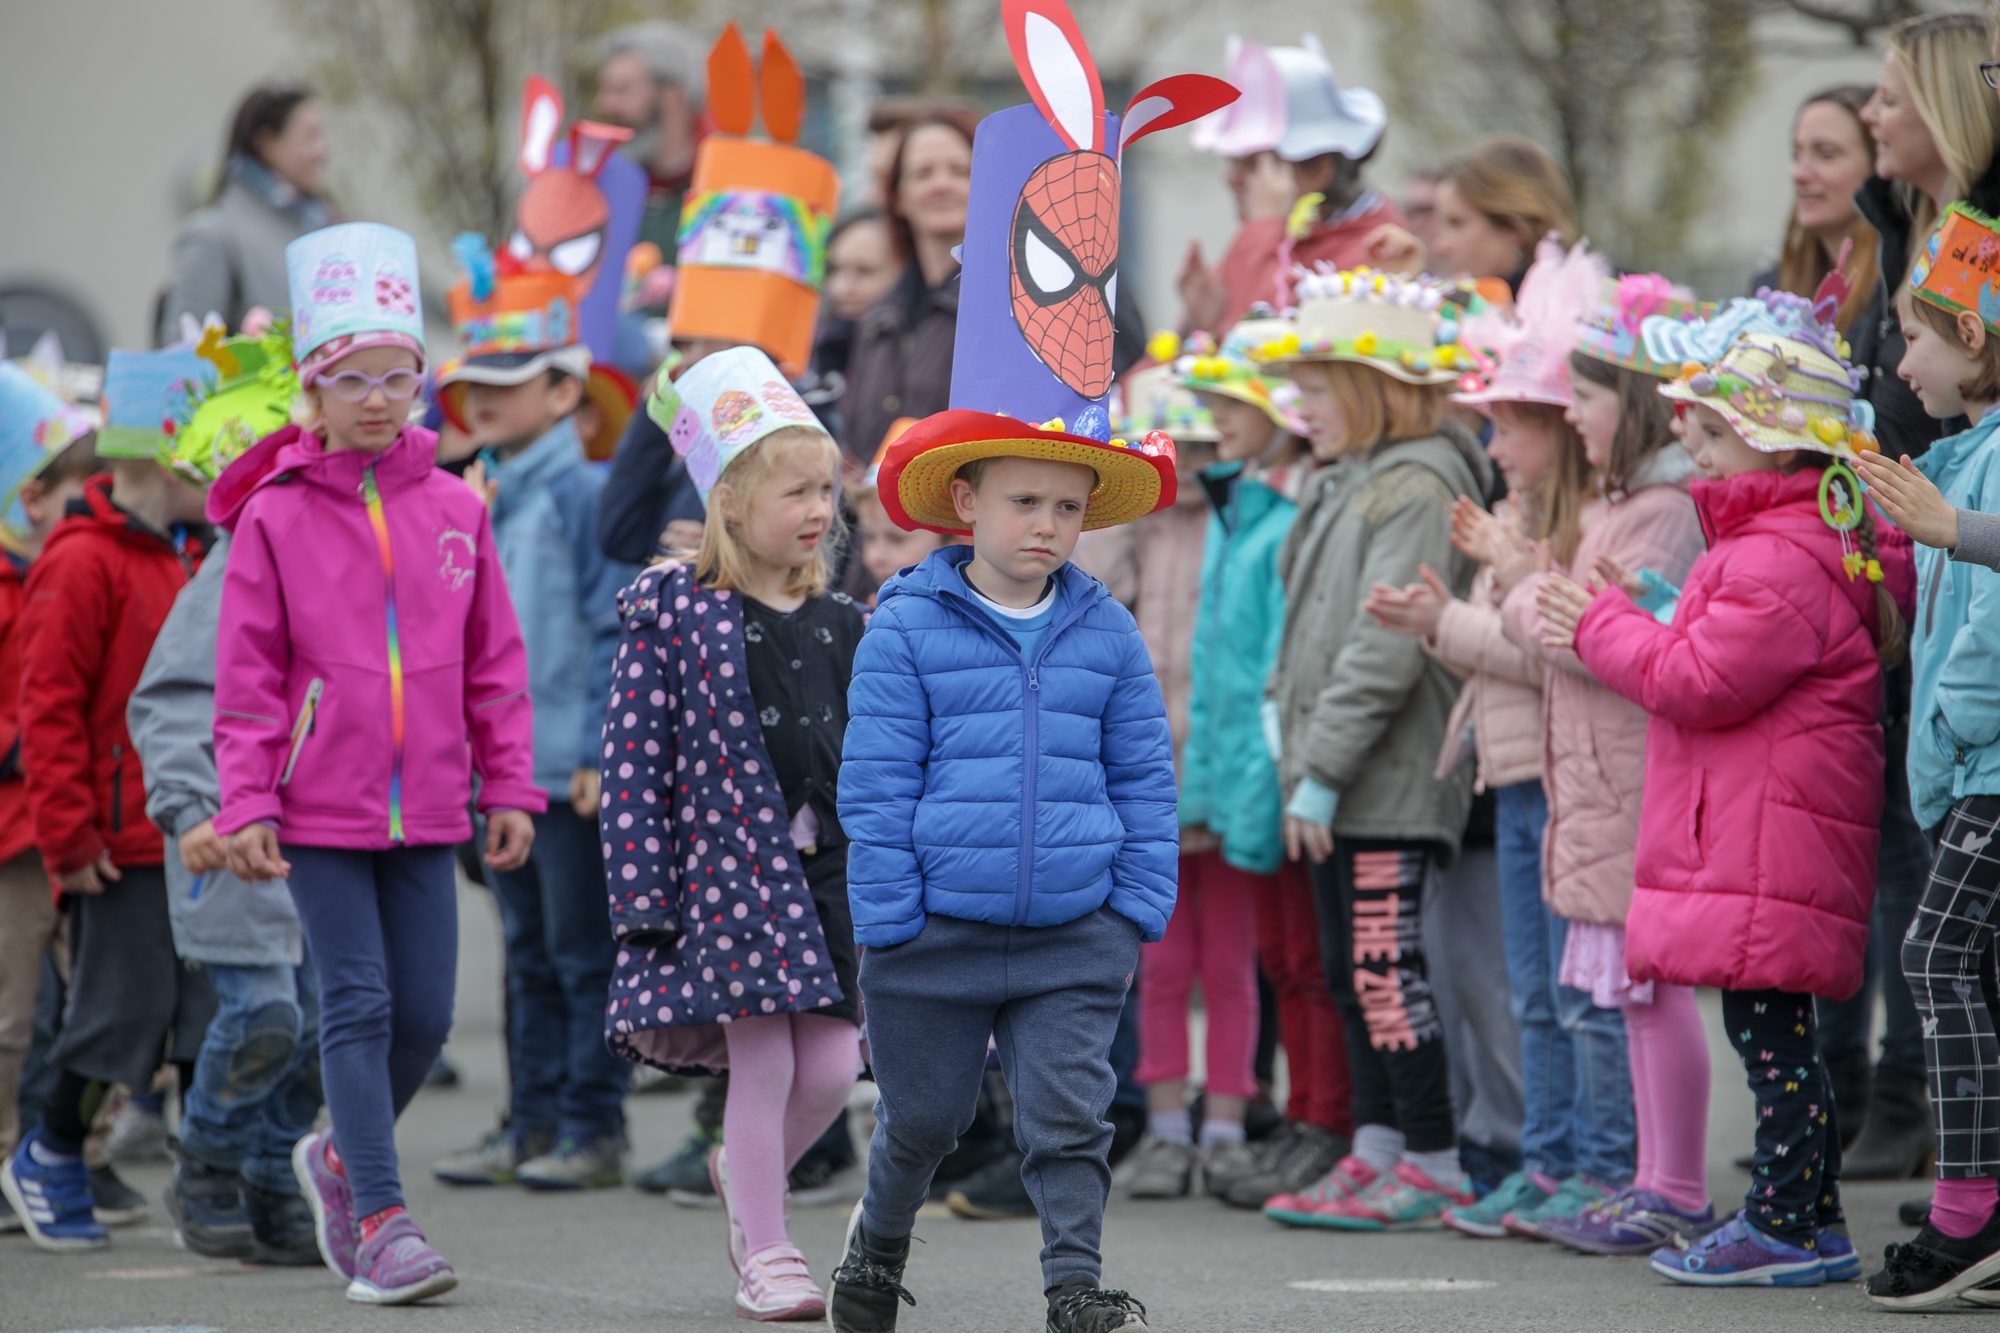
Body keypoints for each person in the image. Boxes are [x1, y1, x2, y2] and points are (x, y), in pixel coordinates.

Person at [827, 9, 1216, 1325]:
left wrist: (1134, 901)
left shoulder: (1101, 628)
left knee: (1067, 1120)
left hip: (1072, 932)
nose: (1047, 526)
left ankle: (1074, 1290)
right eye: (1023, 502)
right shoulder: (908, 623)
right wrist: (884, 913)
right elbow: (875, 781)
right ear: (964, 503)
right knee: (925, 1122)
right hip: (932, 931)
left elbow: (1139, 764)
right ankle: (875, 1256)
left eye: (1069, 506)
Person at [1540, 289, 1911, 1288]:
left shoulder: (1774, 555)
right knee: (1773, 1031)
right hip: (1765, 829)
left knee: (1768, 1033)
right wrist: (1646, 613)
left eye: (1710, 429)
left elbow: (1694, 680)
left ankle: (1785, 1222)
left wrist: (1595, 625)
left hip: (1768, 836)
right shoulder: (1783, 544)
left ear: (1771, 443)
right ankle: (1809, 1214)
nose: (1690, 444)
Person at [209, 222, 542, 1305]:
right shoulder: (272, 516)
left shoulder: (454, 506)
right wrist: (248, 796)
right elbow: (248, 672)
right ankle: (388, 1222)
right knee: (354, 1003)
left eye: (399, 375)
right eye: (354, 377)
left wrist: (511, 782)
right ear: (314, 384)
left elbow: (494, 657)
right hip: (315, 809)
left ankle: (341, 1159)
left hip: (435, 807)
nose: (379, 397)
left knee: (427, 1018)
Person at [1368, 238, 1633, 1239]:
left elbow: (1550, 648)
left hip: (1557, 778)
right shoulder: (1514, 515)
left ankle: (1594, 1165)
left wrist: (1461, 616)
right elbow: (1504, 648)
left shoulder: (1563, 531)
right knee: (1534, 993)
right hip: (1512, 770)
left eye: (1509, 428)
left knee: (1573, 994)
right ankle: (1548, 1161)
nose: (1494, 444)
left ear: (1559, 432)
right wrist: (1437, 619)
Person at [600, 347, 864, 1321]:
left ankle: (739, 1173)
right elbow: (633, 761)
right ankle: (768, 1247)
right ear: (730, 501)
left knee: (833, 1068)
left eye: (825, 490)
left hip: (828, 872)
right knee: (767, 1062)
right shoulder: (677, 615)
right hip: (733, 872)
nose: (817, 509)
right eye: (793, 489)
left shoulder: (843, 618)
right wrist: (641, 895)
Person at [1247, 269, 1491, 1231]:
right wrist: (1293, 747)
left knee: (1388, 972)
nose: (1296, 402)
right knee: (1354, 965)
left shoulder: (1417, 482)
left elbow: (1382, 648)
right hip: (1336, 775)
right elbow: (1303, 626)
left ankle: (1434, 1158)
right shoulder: (1348, 478)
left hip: (1384, 777)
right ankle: (1378, 1147)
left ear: (1370, 385)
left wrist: (1321, 769)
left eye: (1315, 385)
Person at [1503, 273, 1710, 1255]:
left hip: (1629, 782)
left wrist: (1521, 586)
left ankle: (1661, 1181)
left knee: (1638, 990)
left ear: (1626, 404)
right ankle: (1641, 1180)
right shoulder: (1623, 506)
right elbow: (1567, 618)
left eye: (1582, 396)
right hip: (1596, 778)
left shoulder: (1658, 508)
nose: (1570, 414)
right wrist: (1543, 598)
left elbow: (1568, 630)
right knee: (1615, 994)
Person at [0, 345, 218, 1254]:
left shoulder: (185, 555)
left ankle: (216, 1179)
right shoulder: (82, 563)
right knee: (113, 1017)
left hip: (179, 833)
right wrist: (69, 831)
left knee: (196, 1013)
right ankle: (47, 1150)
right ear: (164, 459)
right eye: (211, 454)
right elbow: (46, 709)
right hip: (115, 841)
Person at [428, 255, 638, 1192]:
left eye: (508, 385)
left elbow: (611, 626)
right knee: (525, 959)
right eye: (472, 386)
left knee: (581, 954)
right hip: (500, 772)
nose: (482, 403)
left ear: (564, 390)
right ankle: (531, 1121)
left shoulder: (582, 493)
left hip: (565, 769)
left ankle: (593, 1126)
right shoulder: (479, 490)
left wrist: (601, 746)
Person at [124, 318, 323, 1266]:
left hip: (324, 836)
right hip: (226, 830)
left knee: (326, 1022)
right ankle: (205, 1159)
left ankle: (273, 1173)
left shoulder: (355, 560)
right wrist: (190, 807)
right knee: (264, 1013)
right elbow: (166, 698)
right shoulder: (240, 560)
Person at [1143, 323, 1352, 1211]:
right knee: (1158, 963)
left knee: (1240, 963)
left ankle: (1231, 1123)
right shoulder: (1163, 525)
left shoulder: (1267, 518)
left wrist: (1255, 785)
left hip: (1233, 782)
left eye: (1225, 415)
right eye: (1192, 425)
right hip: (1156, 777)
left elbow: (1264, 663)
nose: (1203, 438)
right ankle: (1162, 1125)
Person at [1846, 11, 2000, 1182]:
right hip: (1927, 585)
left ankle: (1961, 1188)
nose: (1866, 115)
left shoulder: (1973, 235)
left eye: (1888, 94)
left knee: (1941, 945)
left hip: (1977, 714)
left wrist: (1937, 519)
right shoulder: (1915, 226)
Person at [1864, 203, 2000, 1309]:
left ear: (1980, 342)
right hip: (1969, 767)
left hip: (1989, 769)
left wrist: (1949, 730)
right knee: (1971, 966)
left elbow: (1986, 635)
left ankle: (1966, 1211)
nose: (1901, 358)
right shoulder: (1965, 455)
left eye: (1920, 334)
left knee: (1933, 960)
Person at [0, 364, 97, 1186]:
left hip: (68, 816)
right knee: (12, 1012)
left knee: (91, 1000)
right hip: (12, 834)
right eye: (79, 488)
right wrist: (25, 744)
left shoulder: (64, 572)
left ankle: (80, 1153)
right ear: (28, 498)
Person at [1180, 35, 1403, 332]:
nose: (1232, 179)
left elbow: (1269, 352)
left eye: (1253, 164)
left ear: (1319, 170)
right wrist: (1206, 325)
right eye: (1233, 162)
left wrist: (1263, 228)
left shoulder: (1375, 253)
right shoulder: (1277, 235)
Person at [837, 108, 977, 469]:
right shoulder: (878, 317)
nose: (941, 184)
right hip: (875, 523)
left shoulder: (1011, 308)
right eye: (922, 173)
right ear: (897, 196)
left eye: (960, 171)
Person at [159, 84, 335, 341]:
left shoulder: (324, 228)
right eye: (310, 137)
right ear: (265, 143)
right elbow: (184, 352)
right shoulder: (212, 235)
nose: (323, 151)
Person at [593, 20, 707, 281]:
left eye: (622, 90)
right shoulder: (598, 191)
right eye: (605, 90)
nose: (604, 105)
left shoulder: (724, 190)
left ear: (673, 96)